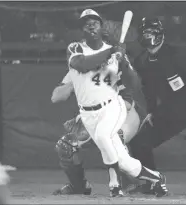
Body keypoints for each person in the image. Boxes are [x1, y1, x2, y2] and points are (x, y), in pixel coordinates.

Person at [51, 9, 168, 198]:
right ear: (81, 28)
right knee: (123, 162)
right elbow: (81, 65)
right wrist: (110, 52)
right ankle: (156, 178)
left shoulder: (115, 55)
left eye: (95, 21)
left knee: (104, 136)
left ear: (101, 26)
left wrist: (124, 62)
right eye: (86, 22)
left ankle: (115, 185)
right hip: (89, 114)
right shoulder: (76, 49)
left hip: (113, 107)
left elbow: (135, 83)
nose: (91, 24)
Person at [128, 17, 186, 196]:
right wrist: (152, 111)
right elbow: (148, 89)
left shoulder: (179, 54)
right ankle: (151, 182)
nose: (148, 36)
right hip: (170, 109)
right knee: (139, 141)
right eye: (144, 33)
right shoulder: (142, 61)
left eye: (151, 32)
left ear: (160, 34)